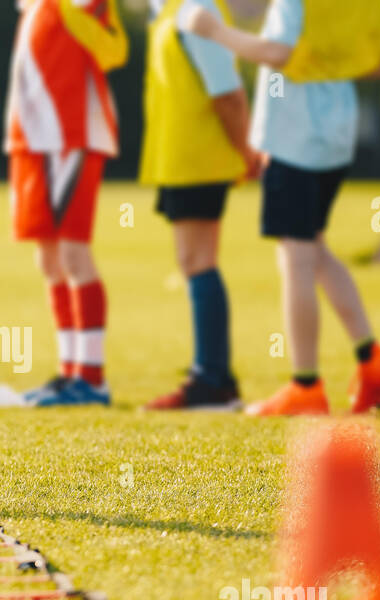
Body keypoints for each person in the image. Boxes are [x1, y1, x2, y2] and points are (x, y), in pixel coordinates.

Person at [182, 0, 380, 415]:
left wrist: (215, 31)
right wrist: (331, 61)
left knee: (297, 260)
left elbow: (276, 52)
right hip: (337, 137)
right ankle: (373, 362)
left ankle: (305, 386)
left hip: (295, 138)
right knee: (314, 250)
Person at [5, 0, 129, 406]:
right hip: (33, 140)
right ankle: (69, 371)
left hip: (70, 134)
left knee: (74, 254)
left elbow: (114, 51)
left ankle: (91, 379)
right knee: (49, 258)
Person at [141, 0, 257, 411]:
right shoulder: (170, 12)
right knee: (195, 261)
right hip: (183, 161)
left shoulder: (194, 10)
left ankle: (213, 381)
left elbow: (227, 95)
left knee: (198, 261)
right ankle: (212, 377)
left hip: (200, 160)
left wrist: (247, 151)